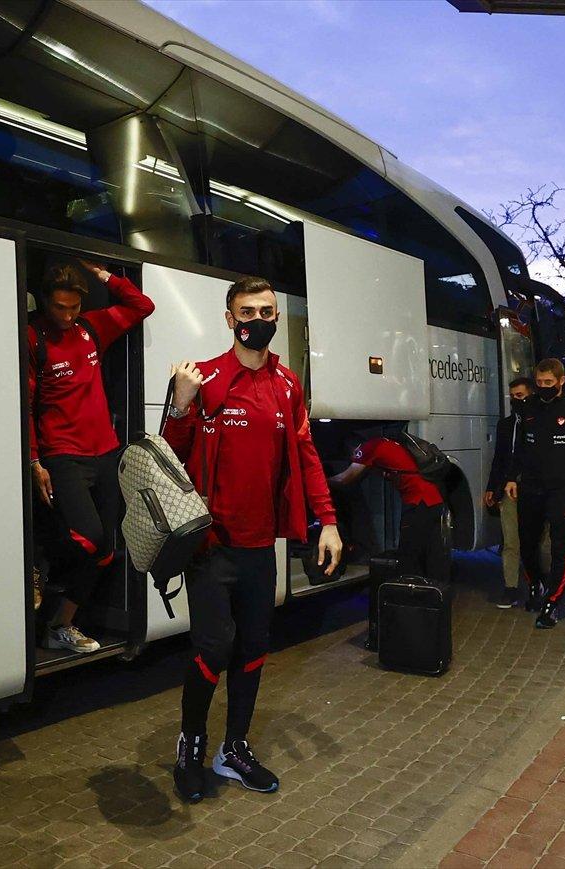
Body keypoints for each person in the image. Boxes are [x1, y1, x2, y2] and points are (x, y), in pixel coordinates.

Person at [163, 276, 342, 802]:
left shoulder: (287, 386)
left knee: (255, 646)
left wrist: (327, 520)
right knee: (215, 645)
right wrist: (179, 405)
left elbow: (306, 457)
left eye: (268, 310)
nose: (258, 320)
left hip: (262, 546)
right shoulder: (205, 378)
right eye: (248, 311)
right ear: (229, 318)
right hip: (211, 545)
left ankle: (233, 749)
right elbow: (171, 456)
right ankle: (190, 748)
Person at [28, 261, 155, 652]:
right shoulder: (34, 337)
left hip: (106, 452)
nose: (66, 316)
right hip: (62, 455)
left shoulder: (91, 328)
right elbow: (25, 405)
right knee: (89, 537)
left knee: (105, 549)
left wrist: (105, 276)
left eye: (73, 307)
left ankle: (59, 624)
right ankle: (37, 574)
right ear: (45, 302)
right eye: (59, 308)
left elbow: (142, 306)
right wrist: (35, 461)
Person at [504, 358, 565, 629]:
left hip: (562, 489)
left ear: (561, 381)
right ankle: (536, 584)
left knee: (560, 549)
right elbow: (519, 448)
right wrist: (512, 478)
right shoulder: (527, 408)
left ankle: (553, 603)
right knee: (527, 543)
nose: (543, 387)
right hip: (530, 488)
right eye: (539, 383)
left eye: (549, 383)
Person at [330, 435, 450, 586]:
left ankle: (409, 595)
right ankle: (435, 593)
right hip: (434, 500)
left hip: (419, 501)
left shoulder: (366, 448)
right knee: (431, 552)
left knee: (409, 553)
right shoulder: (386, 443)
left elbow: (345, 479)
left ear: (353, 449)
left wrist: (322, 482)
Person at [484, 377, 550, 609]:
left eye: (520, 396)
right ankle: (510, 588)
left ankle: (543, 583)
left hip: (534, 487)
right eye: (512, 397)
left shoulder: (539, 422)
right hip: (508, 488)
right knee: (511, 540)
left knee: (541, 541)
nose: (515, 401)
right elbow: (499, 459)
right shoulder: (506, 425)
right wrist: (492, 486)